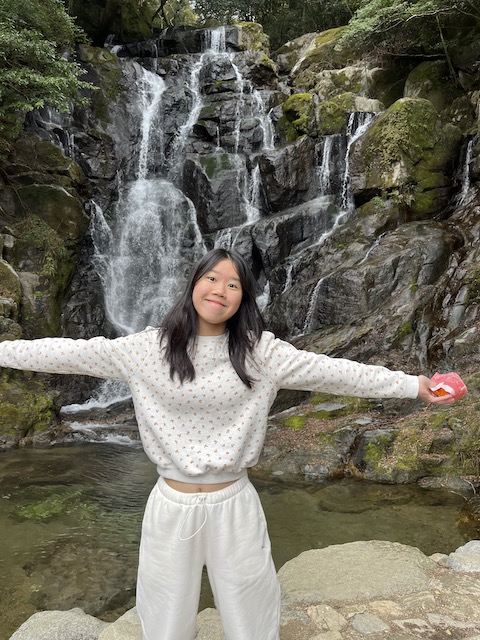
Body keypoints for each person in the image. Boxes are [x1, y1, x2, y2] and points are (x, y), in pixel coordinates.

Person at [0, 248, 454, 640]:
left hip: (233, 503)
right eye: (212, 278)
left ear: (243, 299)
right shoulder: (146, 349)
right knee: (163, 613)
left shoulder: (262, 353)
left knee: (250, 610)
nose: (220, 290)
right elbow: (67, 352)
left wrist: (414, 385)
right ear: (194, 285)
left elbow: (337, 373)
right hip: (171, 504)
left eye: (233, 284)